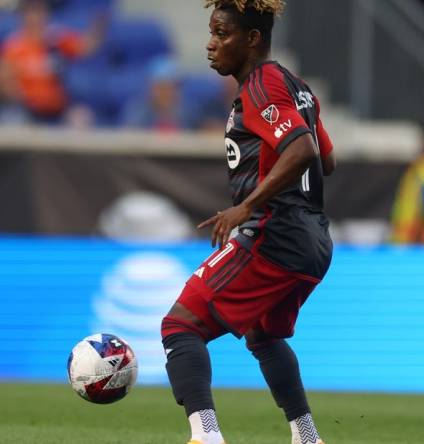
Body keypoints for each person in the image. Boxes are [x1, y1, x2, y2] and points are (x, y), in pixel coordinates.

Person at [160, 1, 335, 444]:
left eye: (221, 34)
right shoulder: (298, 88)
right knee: (263, 335)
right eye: (211, 33)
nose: (210, 44)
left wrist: (245, 206)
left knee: (181, 325)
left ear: (252, 39)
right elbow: (325, 156)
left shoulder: (263, 85)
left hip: (275, 233)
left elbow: (303, 152)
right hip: (314, 239)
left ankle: (207, 436)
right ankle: (308, 435)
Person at [0, 0, 106, 122]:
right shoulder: (13, 46)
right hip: (27, 109)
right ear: (22, 16)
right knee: (11, 118)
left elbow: (86, 48)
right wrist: (22, 95)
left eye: (39, 12)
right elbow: (1, 83)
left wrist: (99, 26)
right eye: (31, 13)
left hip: (58, 109)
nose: (35, 18)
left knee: (80, 116)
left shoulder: (56, 39)